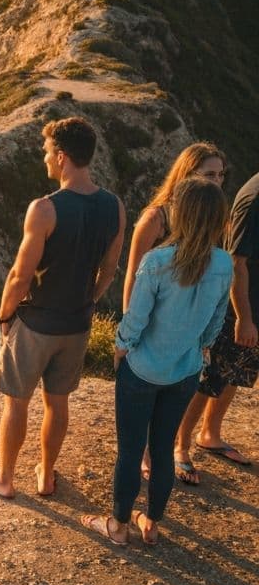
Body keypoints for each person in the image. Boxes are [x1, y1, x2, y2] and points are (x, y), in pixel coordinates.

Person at [0, 117, 125, 499]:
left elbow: (19, 276)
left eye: (46, 152)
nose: (44, 159)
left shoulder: (44, 209)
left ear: (61, 156)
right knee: (58, 403)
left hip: (37, 324)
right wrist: (88, 299)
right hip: (77, 324)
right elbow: (109, 270)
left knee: (16, 403)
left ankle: (5, 477)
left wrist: (4, 315)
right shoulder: (115, 207)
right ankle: (46, 474)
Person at [81, 178, 232, 546]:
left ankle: (118, 525)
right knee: (163, 449)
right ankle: (152, 523)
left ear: (182, 214)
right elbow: (216, 322)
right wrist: (200, 349)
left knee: (131, 450)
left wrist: (121, 347)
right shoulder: (223, 263)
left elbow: (136, 318)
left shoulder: (158, 262)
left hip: (143, 369)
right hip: (185, 370)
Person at [121, 142, 227, 484]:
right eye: (209, 174)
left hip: (185, 326)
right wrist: (128, 334)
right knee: (147, 391)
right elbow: (132, 275)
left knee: (174, 392)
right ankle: (147, 453)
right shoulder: (156, 219)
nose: (217, 182)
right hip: (150, 322)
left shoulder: (210, 217)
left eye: (220, 175)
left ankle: (168, 449)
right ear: (186, 175)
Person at [177, 168, 259, 475]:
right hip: (237, 308)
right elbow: (237, 261)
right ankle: (180, 444)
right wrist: (244, 318)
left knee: (235, 373)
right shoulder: (255, 198)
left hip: (252, 309)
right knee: (209, 378)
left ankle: (210, 433)